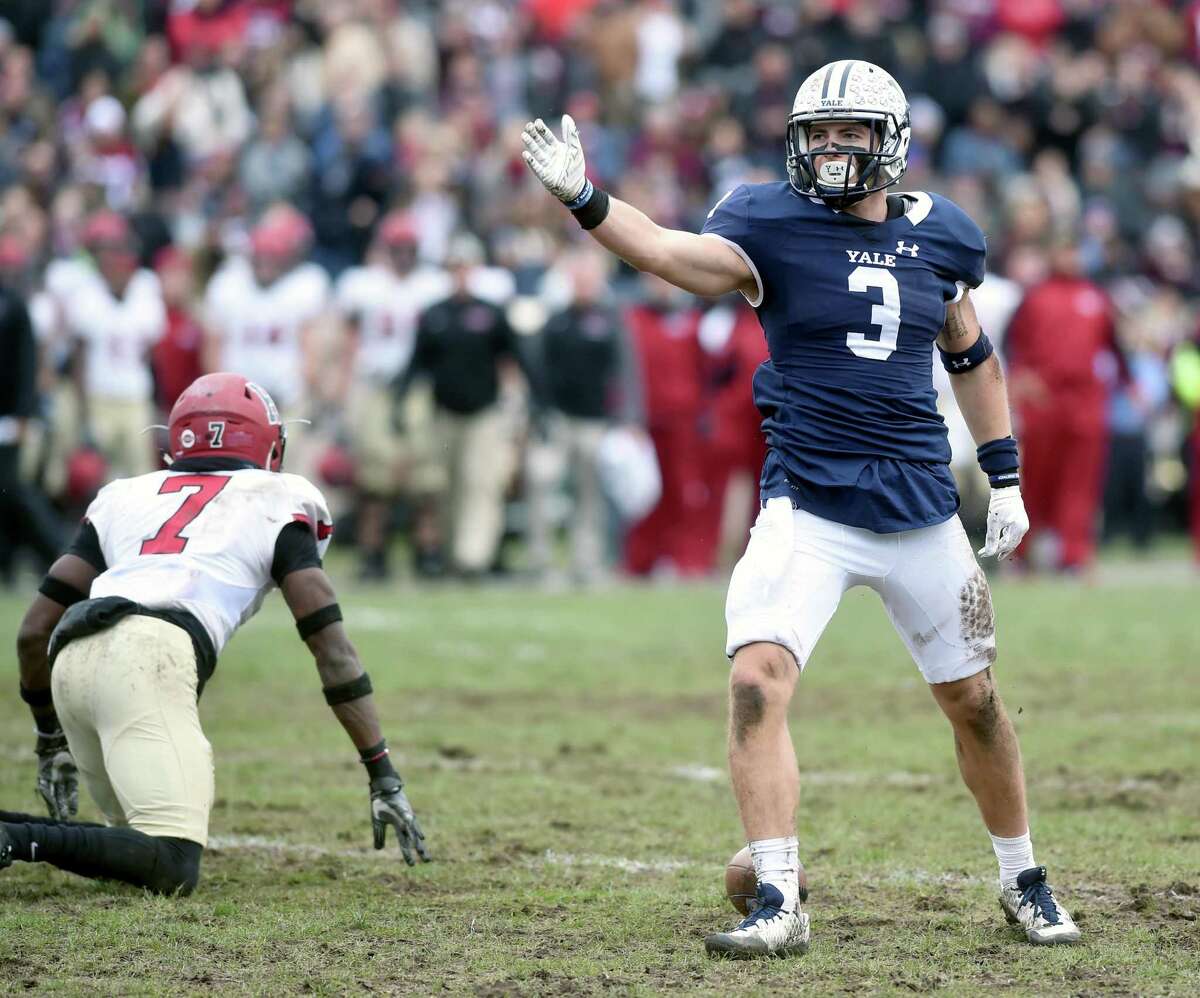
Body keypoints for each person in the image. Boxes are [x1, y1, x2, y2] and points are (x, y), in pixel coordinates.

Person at [522, 59, 1079, 956]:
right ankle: (777, 896)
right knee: (754, 678)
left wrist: (1004, 476)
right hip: (809, 503)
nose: (826, 148)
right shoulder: (766, 223)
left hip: (922, 508)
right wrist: (586, 197)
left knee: (976, 703)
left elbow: (972, 357)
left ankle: (1024, 878)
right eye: (815, 132)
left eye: (847, 132)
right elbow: (667, 251)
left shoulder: (942, 235)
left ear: (890, 143)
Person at [1, 373, 429, 894]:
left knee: (134, 845)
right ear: (267, 443)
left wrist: (50, 739)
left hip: (71, 655)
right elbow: (332, 651)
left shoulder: (126, 495)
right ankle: (13, 839)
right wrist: (381, 770)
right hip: (148, 657)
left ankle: (13, 832)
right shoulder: (278, 496)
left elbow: (32, 631)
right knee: (172, 862)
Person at [332, 211, 449, 581]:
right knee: (374, 480)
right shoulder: (364, 284)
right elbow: (348, 337)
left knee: (425, 478)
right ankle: (373, 552)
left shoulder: (434, 284)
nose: (402, 254)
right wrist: (342, 384)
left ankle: (427, 550)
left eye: (408, 247)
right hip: (376, 385)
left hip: (418, 388)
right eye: (396, 247)